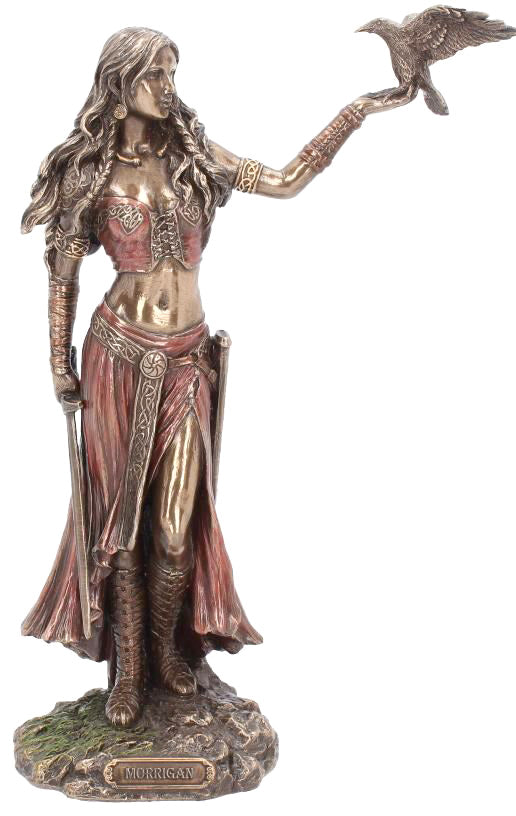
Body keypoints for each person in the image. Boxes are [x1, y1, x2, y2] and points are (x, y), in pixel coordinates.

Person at [21, 27, 416, 727]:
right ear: (119, 83)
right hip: (117, 359)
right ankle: (130, 672)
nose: (167, 88)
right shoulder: (89, 171)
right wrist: (57, 361)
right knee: (122, 526)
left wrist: (359, 110)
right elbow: (62, 276)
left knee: (175, 528)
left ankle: (169, 652)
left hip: (185, 360)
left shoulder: (194, 156)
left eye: (172, 73)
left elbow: (285, 180)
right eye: (155, 75)